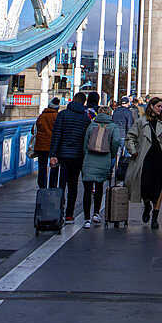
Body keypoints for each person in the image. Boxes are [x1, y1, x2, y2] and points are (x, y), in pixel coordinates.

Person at [124, 96, 162, 229]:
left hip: (160, 159)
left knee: (158, 187)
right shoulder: (141, 122)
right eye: (159, 106)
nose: (161, 109)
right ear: (151, 106)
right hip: (145, 159)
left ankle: (155, 217)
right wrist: (134, 151)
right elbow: (130, 137)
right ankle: (147, 204)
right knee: (145, 187)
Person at [49, 91, 91, 222]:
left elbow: (56, 136)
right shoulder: (86, 118)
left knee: (61, 184)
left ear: (73, 99)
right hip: (78, 155)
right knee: (73, 185)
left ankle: (59, 211)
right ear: (84, 103)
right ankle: (69, 214)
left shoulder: (62, 115)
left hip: (63, 154)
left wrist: (53, 154)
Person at [81, 105, 120, 227]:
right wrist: (111, 155)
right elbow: (116, 141)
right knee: (99, 187)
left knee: (87, 190)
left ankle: (86, 219)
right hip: (104, 159)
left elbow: (85, 142)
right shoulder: (113, 127)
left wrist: (86, 154)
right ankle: (96, 214)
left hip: (89, 159)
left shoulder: (91, 125)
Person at [33, 97, 61, 188]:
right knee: (54, 166)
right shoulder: (57, 116)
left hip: (41, 145)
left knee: (42, 167)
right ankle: (52, 185)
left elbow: (34, 130)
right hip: (53, 146)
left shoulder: (41, 116)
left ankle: (42, 186)